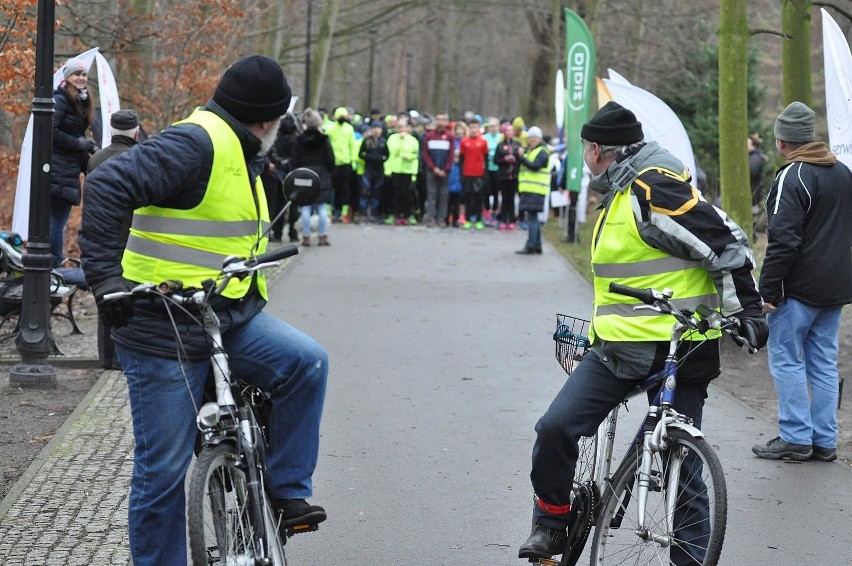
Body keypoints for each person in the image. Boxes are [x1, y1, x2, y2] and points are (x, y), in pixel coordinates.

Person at [79, 55, 328, 566]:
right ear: (267, 119)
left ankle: (284, 490)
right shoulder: (196, 142)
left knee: (306, 362)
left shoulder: (241, 148)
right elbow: (107, 184)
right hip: (160, 326)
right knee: (163, 471)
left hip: (225, 317)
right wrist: (105, 279)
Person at [518, 101, 768, 562]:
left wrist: (747, 311)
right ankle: (553, 521)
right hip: (619, 350)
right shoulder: (619, 192)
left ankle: (691, 559)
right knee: (556, 428)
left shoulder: (652, 188)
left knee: (684, 466)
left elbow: (725, 243)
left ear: (595, 150)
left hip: (681, 348)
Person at [752, 102, 852, 463]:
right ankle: (825, 441)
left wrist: (767, 292)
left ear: (782, 142)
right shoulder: (842, 172)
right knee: (824, 362)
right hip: (836, 288)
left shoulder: (791, 177)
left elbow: (783, 240)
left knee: (787, 359)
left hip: (798, 290)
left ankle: (795, 436)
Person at [87, 109, 141, 371]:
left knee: (105, 292)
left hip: (100, 233)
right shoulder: (139, 158)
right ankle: (122, 356)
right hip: (130, 234)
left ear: (111, 131)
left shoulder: (96, 158)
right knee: (126, 293)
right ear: (136, 132)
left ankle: (105, 357)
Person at [51, 57, 97, 267]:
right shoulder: (60, 100)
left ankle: (54, 263)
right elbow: (50, 132)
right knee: (57, 221)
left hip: (68, 170)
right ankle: (54, 263)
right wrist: (79, 144)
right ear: (67, 78)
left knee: (59, 221)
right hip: (56, 170)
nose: (81, 78)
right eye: (76, 74)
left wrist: (91, 161)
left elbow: (77, 139)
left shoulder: (80, 101)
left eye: (84, 74)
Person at [292, 108, 335, 246]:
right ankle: (322, 235)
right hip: (321, 174)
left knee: (305, 207)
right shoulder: (324, 139)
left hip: (304, 174)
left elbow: (294, 159)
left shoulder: (299, 139)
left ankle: (305, 236)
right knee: (322, 207)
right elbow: (330, 159)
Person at [515, 126, 550, 254]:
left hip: (536, 190)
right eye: (530, 138)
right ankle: (537, 245)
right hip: (530, 190)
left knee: (532, 218)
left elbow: (535, 166)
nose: (532, 140)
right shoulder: (531, 151)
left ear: (540, 138)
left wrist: (522, 157)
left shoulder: (542, 151)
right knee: (533, 217)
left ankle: (530, 245)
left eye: (535, 137)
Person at [422, 113, 455, 227]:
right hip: (432, 170)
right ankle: (431, 217)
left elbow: (451, 155)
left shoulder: (450, 137)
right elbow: (426, 154)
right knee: (431, 194)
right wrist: (433, 168)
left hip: (445, 171)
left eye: (443, 120)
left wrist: (445, 169)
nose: (441, 123)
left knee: (443, 194)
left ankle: (441, 217)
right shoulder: (429, 136)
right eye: (439, 120)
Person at [385, 118, 420, 225]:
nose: (401, 129)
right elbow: (392, 152)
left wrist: (408, 158)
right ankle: (394, 214)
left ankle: (407, 215)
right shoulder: (392, 138)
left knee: (407, 194)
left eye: (403, 127)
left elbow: (415, 155)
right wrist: (401, 141)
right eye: (399, 127)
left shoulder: (413, 140)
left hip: (408, 170)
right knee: (395, 193)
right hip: (395, 169)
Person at [326, 106, 357, 222]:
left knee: (345, 189)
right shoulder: (330, 128)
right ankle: (329, 211)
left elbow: (352, 145)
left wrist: (353, 161)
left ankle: (344, 213)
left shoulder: (349, 129)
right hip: (333, 163)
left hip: (345, 162)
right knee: (331, 188)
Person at [458, 118, 489, 230]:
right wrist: (461, 174)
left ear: (479, 128)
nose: (473, 130)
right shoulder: (464, 142)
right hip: (467, 173)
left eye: (475, 127)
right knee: (468, 197)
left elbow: (486, 159)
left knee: (478, 198)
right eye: (471, 128)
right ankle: (467, 219)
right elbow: (461, 159)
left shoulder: (483, 142)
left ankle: (479, 219)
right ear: (469, 129)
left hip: (479, 174)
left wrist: (485, 174)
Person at [358, 121, 389, 222]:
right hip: (368, 170)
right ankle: (363, 213)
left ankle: (374, 213)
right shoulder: (367, 141)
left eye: (378, 129)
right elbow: (360, 154)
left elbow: (387, 154)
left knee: (376, 192)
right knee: (365, 191)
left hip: (379, 170)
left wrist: (381, 158)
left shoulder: (383, 141)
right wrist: (370, 157)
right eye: (375, 128)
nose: (377, 130)